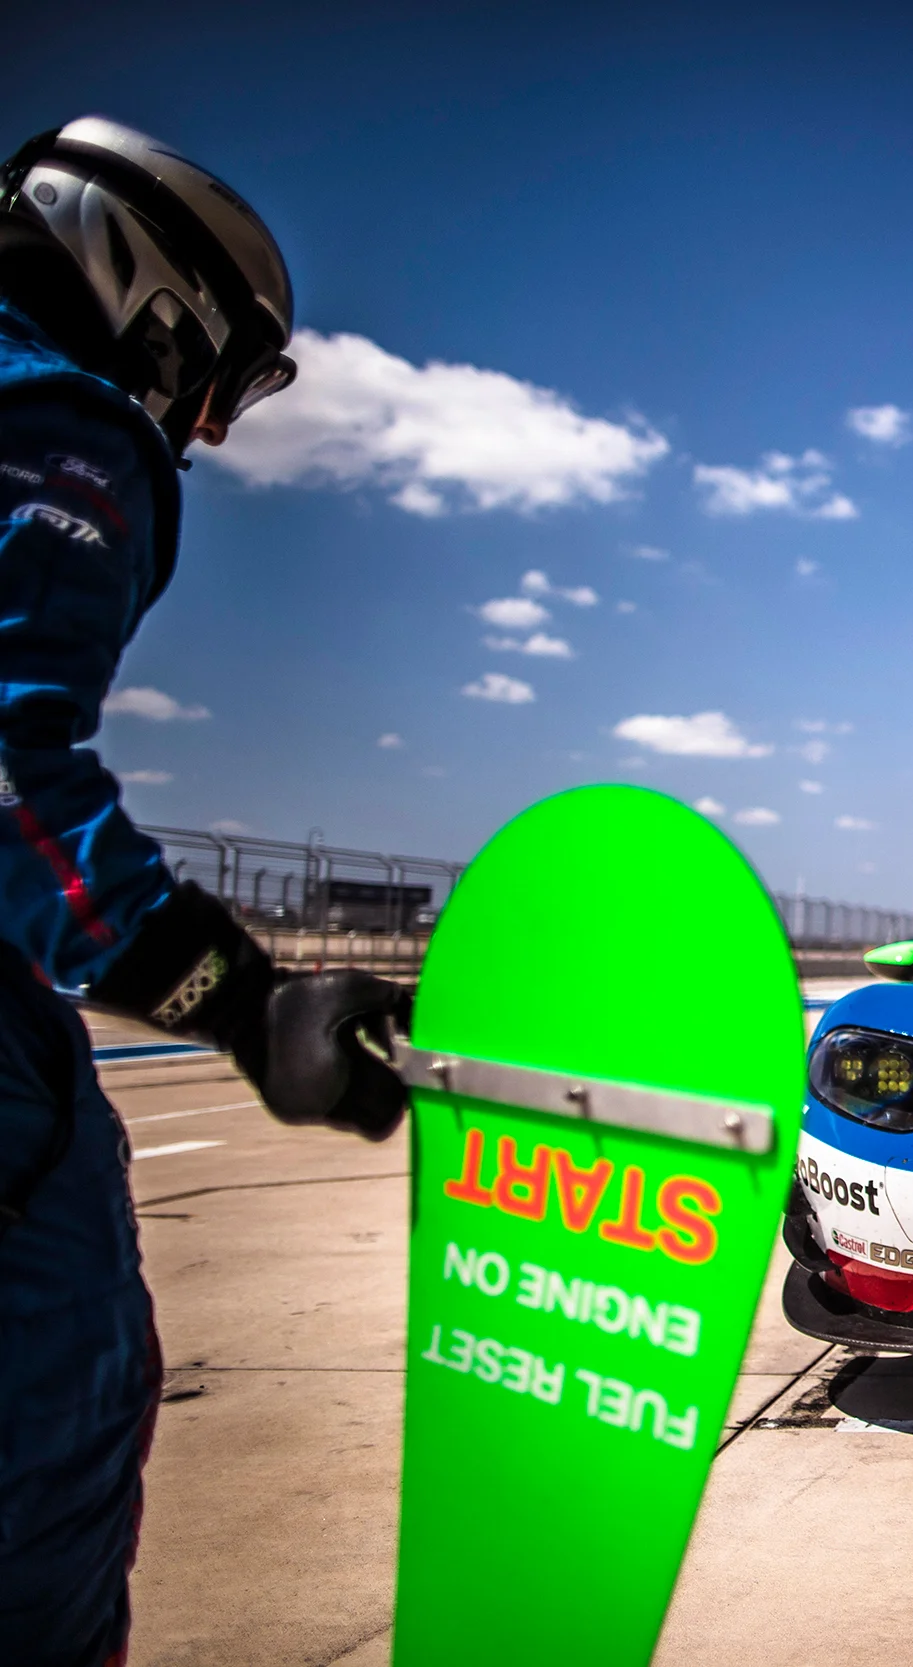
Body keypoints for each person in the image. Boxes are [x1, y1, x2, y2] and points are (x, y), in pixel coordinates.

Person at [0, 118, 412, 1667]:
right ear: (154, 301)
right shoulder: (57, 418)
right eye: (222, 377)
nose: (215, 430)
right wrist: (246, 1004)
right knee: (48, 1456)